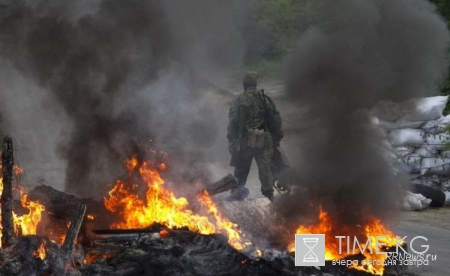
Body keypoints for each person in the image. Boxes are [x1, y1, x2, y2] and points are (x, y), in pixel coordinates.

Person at [227, 72, 283, 201]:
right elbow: (276, 118)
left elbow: (233, 120)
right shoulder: (265, 99)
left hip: (246, 138)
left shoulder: (240, 100)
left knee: (241, 168)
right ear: (255, 84)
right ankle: (269, 195)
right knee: (265, 168)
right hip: (264, 137)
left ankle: (236, 192)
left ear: (244, 85)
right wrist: (276, 136)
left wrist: (231, 138)